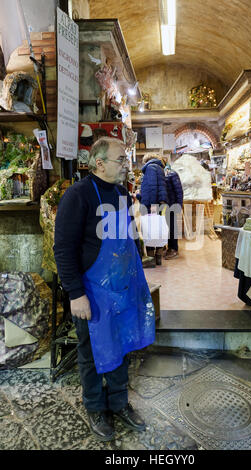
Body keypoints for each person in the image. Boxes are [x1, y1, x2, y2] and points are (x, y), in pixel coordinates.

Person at [54, 137, 155, 442]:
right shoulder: (78, 195)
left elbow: (128, 238)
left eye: (126, 159)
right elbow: (64, 249)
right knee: (91, 352)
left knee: (122, 345)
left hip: (122, 288)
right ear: (99, 163)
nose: (127, 165)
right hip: (92, 292)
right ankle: (96, 407)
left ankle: (119, 403)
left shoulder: (122, 193)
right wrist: (75, 294)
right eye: (121, 160)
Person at [136, 153, 168, 266]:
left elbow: (152, 188)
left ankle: (150, 258)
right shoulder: (159, 168)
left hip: (151, 204)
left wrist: (150, 204)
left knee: (149, 230)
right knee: (157, 230)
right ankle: (158, 256)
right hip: (157, 203)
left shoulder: (150, 168)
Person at [162, 157, 183, 259]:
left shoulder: (172, 174)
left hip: (172, 205)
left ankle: (174, 249)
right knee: (168, 227)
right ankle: (170, 247)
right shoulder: (163, 174)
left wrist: (179, 205)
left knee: (172, 228)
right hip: (167, 205)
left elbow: (179, 190)